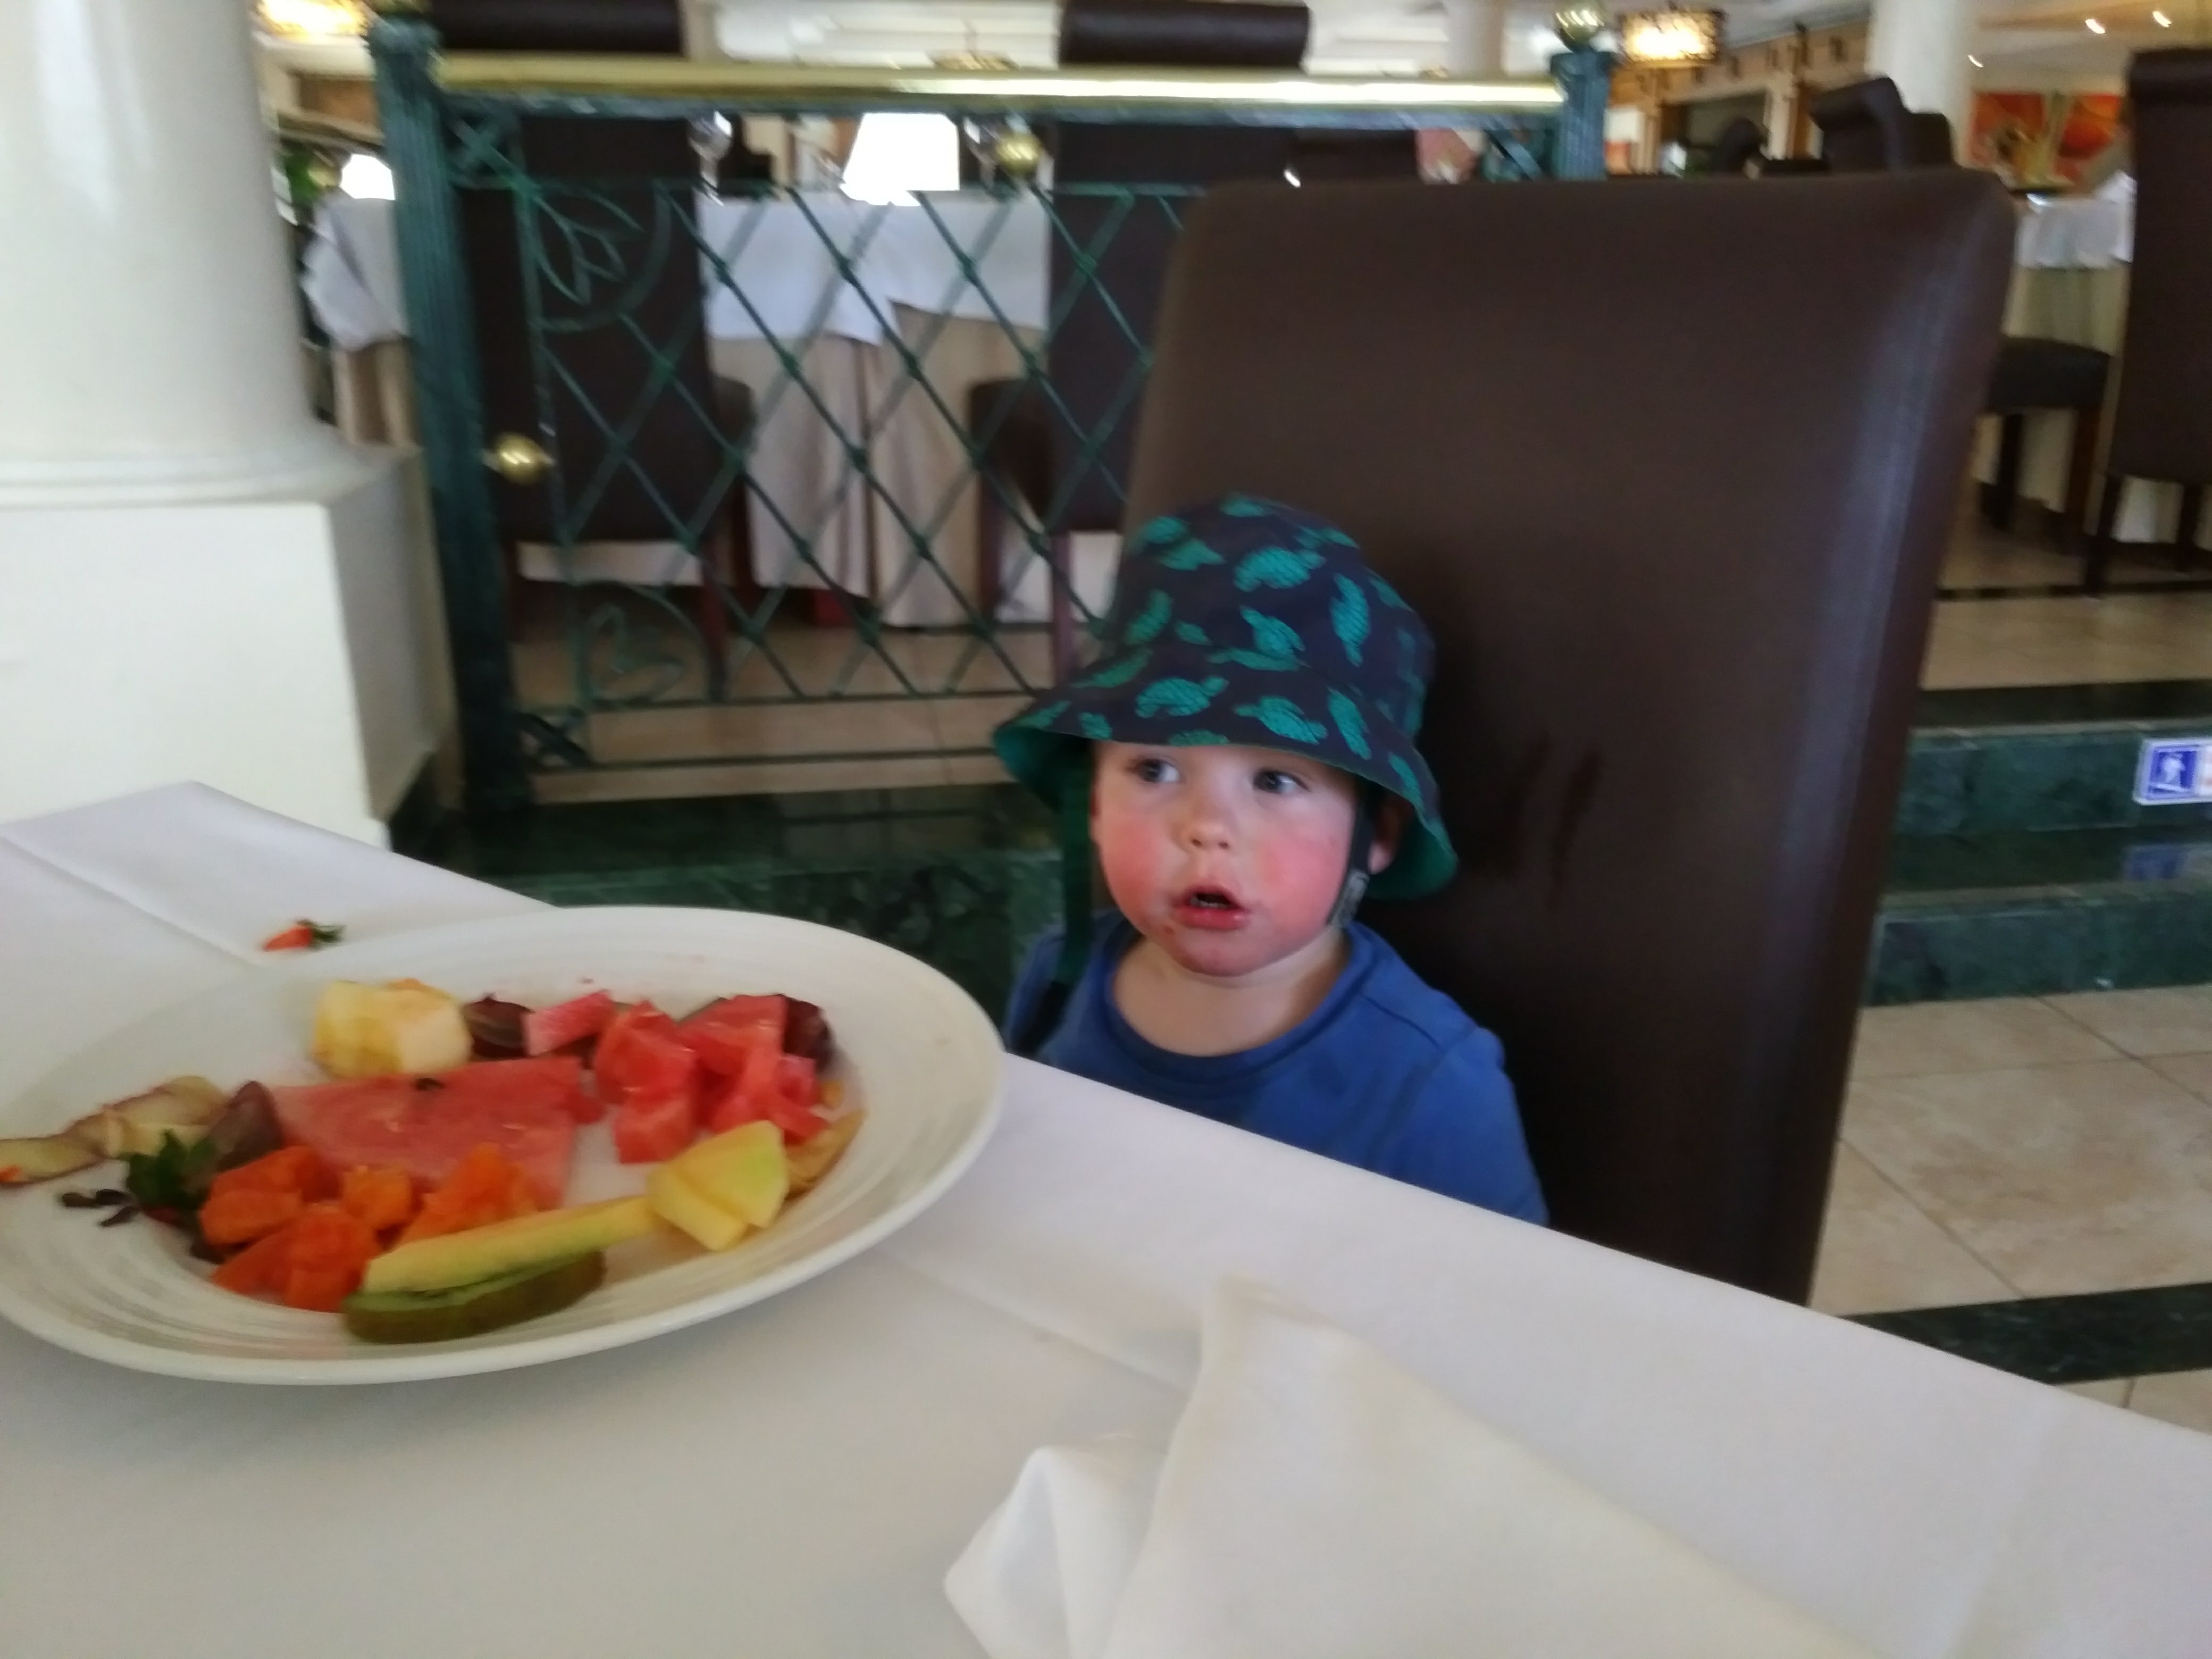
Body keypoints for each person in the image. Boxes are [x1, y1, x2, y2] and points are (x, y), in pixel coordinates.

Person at [994, 496, 1546, 1223]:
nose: (1207, 827)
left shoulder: (1432, 1084)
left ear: (1377, 836)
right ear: (1093, 805)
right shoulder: (1056, 976)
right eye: (1155, 769)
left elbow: (1512, 1287)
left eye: (1276, 781)